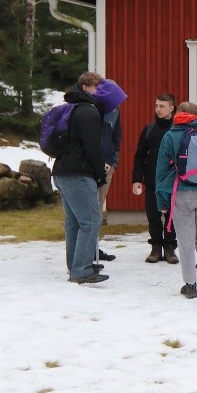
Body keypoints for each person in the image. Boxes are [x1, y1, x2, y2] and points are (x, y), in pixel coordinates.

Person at [54, 71, 121, 284]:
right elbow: (93, 147)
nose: (99, 92)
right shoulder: (88, 112)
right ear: (86, 88)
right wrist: (100, 174)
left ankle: (75, 265)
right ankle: (81, 269)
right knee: (91, 220)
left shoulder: (73, 108)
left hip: (62, 172)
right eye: (96, 87)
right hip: (78, 173)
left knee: (74, 222)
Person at [155, 101, 197, 299]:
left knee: (185, 241)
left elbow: (161, 170)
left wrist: (162, 202)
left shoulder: (171, 136)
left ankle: (190, 285)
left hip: (181, 193)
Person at [132, 93, 178, 264]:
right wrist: (137, 178)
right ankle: (156, 247)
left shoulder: (177, 129)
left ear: (171, 108)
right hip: (152, 181)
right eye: (156, 105)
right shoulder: (150, 129)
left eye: (162, 106)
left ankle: (170, 248)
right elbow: (139, 156)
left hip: (173, 181)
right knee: (153, 215)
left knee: (172, 216)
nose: (158, 109)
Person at [95, 78, 124, 263]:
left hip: (107, 167)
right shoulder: (93, 111)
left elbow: (116, 137)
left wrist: (113, 162)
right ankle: (89, 250)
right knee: (91, 211)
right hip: (92, 167)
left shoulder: (115, 112)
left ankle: (94, 248)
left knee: (98, 209)